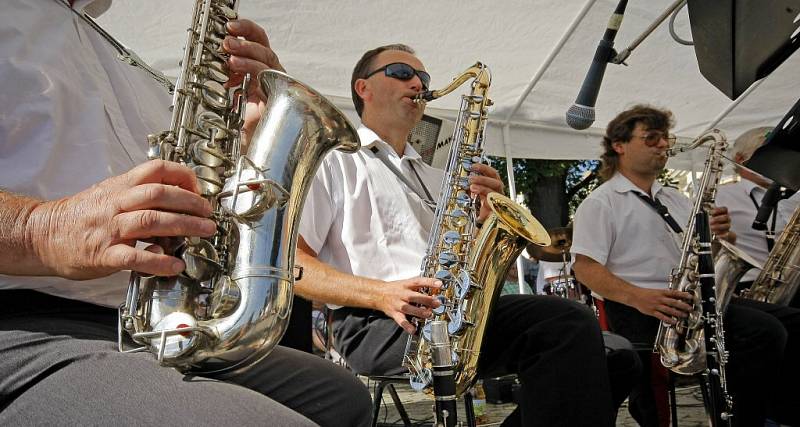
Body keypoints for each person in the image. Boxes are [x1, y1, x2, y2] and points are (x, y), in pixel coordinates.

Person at [0, 1, 371, 425]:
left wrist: (251, 137)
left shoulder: (113, 52)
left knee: (342, 397)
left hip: (146, 325)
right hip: (24, 325)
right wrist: (37, 229)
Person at [294, 43, 631, 427]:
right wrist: (382, 293)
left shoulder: (436, 175)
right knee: (564, 325)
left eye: (423, 78)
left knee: (619, 358)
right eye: (403, 73)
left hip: (452, 311)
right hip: (380, 323)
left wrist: (488, 215)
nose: (418, 84)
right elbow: (294, 265)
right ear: (363, 88)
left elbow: (484, 267)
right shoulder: (334, 158)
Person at [571, 104, 800, 426]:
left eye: (665, 138)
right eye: (651, 138)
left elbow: (699, 252)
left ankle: (774, 413)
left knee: (791, 321)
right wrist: (640, 297)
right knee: (763, 332)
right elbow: (585, 268)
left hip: (688, 302)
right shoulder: (600, 202)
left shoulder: (676, 198)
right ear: (618, 146)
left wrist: (719, 235)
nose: (663, 145)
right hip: (644, 309)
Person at [714, 127, 800, 303]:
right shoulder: (721, 195)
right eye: (766, 154)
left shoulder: (793, 194)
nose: (777, 161)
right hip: (749, 287)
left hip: (792, 285)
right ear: (740, 160)